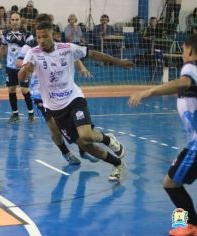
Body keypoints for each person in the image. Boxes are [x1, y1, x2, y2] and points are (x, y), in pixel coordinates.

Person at [19, 21, 134, 180]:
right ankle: (117, 164)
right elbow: (21, 77)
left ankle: (108, 139)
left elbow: (93, 54)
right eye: (38, 37)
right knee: (86, 145)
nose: (41, 40)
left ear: (54, 35)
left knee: (86, 134)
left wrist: (120, 62)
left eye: (45, 36)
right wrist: (25, 70)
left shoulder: (67, 48)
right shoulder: (33, 53)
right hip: (55, 109)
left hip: (74, 99)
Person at [128, 34, 197, 236]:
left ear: (190, 51)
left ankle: (190, 225)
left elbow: (182, 82)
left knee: (171, 183)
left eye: (183, 49)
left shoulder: (191, 67)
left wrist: (148, 92)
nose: (183, 53)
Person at [0, 12, 35, 123]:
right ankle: (15, 115)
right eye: (13, 20)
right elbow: (2, 48)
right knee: (11, 90)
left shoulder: (27, 34)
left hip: (23, 67)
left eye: (17, 19)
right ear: (10, 21)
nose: (15, 22)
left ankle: (31, 114)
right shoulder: (6, 33)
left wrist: (28, 63)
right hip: (10, 66)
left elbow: (32, 49)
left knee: (25, 90)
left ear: (20, 20)